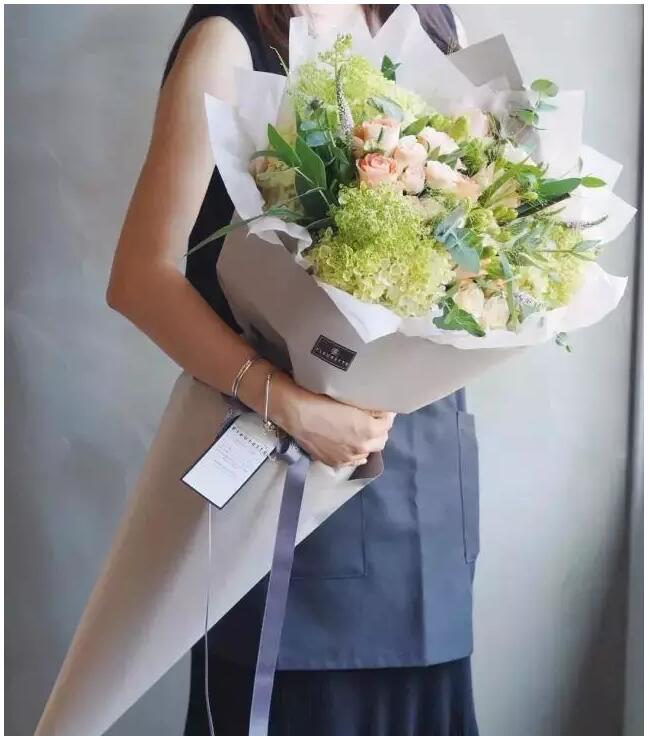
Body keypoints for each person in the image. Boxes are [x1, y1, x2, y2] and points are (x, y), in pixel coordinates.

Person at [107, 5, 480, 735]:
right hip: (288, 474)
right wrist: (292, 406)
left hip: (424, 475)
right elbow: (140, 278)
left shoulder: (434, 20)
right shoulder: (228, 41)